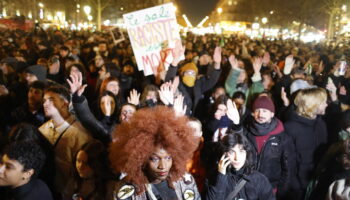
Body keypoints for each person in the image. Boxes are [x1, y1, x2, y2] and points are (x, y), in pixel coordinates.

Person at [109, 106, 201, 200]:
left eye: (168, 158)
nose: (162, 166)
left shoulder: (186, 181)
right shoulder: (126, 191)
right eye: (155, 159)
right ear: (141, 159)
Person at [235, 95, 294, 199]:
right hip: (247, 187)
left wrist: (281, 192)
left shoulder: (282, 138)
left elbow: (288, 169)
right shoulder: (246, 132)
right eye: (257, 110)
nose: (260, 114)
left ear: (272, 114)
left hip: (271, 189)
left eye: (265, 111)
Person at [38, 85, 93, 195]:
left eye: (51, 100)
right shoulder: (42, 129)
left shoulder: (80, 134)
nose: (45, 104)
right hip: (48, 188)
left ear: (65, 103)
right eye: (44, 100)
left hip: (68, 192)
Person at [284, 87, 329, 200]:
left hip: (316, 183)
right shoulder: (291, 128)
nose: (326, 104)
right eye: (323, 102)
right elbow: (288, 162)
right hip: (297, 190)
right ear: (313, 105)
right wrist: (296, 186)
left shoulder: (321, 124)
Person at [204, 132, 275, 200]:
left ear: (247, 153)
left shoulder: (259, 179)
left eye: (241, 151)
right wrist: (221, 177)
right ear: (224, 154)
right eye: (231, 152)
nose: (237, 158)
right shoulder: (213, 178)